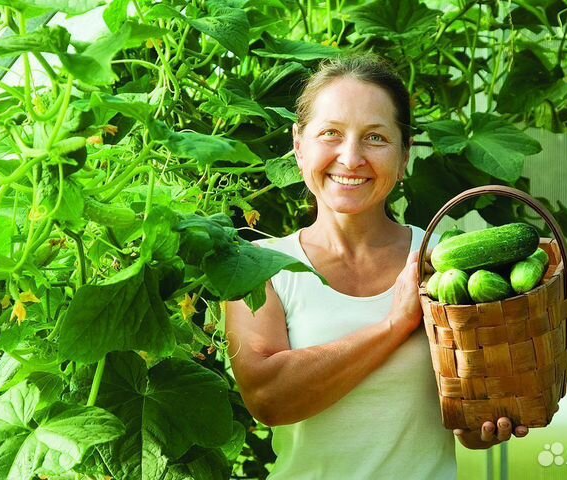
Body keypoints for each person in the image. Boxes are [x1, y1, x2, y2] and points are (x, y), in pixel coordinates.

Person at [225, 54, 528, 479]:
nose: (350, 158)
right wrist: (394, 325)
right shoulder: (258, 268)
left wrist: (486, 421)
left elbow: (472, 417)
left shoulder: (447, 262)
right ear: (299, 144)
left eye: (375, 138)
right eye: (330, 133)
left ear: (404, 155)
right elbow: (268, 398)